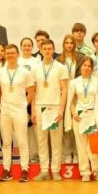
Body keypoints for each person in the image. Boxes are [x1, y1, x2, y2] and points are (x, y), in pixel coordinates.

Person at [0, 44, 35, 182]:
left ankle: (24, 170)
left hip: (19, 111)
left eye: (12, 53)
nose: (10, 55)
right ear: (5, 55)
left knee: (22, 142)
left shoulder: (25, 72)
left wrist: (24, 106)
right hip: (5, 111)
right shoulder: (0, 72)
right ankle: (7, 170)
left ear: (18, 54)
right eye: (8, 53)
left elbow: (31, 92)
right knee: (6, 142)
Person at [30, 39, 68, 181]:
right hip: (40, 107)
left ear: (53, 50)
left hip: (55, 107)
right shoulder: (35, 68)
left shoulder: (60, 68)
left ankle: (56, 170)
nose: (47, 51)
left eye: (49, 49)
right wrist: (33, 110)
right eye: (44, 49)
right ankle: (44, 170)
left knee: (56, 142)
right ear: (40, 50)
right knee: (41, 141)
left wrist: (61, 109)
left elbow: (64, 90)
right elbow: (33, 92)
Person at [67, 57, 98, 182]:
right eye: (84, 65)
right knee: (81, 147)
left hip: (93, 117)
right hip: (79, 118)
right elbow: (71, 101)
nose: (87, 68)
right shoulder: (74, 82)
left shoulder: (97, 82)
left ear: (92, 68)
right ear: (80, 67)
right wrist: (74, 113)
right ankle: (85, 172)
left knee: (94, 146)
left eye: (89, 66)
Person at [58, 34, 83, 166]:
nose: (69, 45)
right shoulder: (58, 59)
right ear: (63, 44)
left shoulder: (81, 58)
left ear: (74, 45)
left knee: (76, 124)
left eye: (71, 43)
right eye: (66, 43)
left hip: (77, 93)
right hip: (63, 93)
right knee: (65, 127)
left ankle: (77, 153)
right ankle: (67, 153)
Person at [18, 37, 40, 162]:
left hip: (33, 95)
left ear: (32, 47)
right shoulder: (17, 60)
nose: (26, 48)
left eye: (29, 45)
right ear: (21, 47)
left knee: (33, 127)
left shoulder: (37, 62)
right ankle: (24, 155)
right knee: (22, 127)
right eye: (24, 45)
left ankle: (34, 154)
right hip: (19, 96)